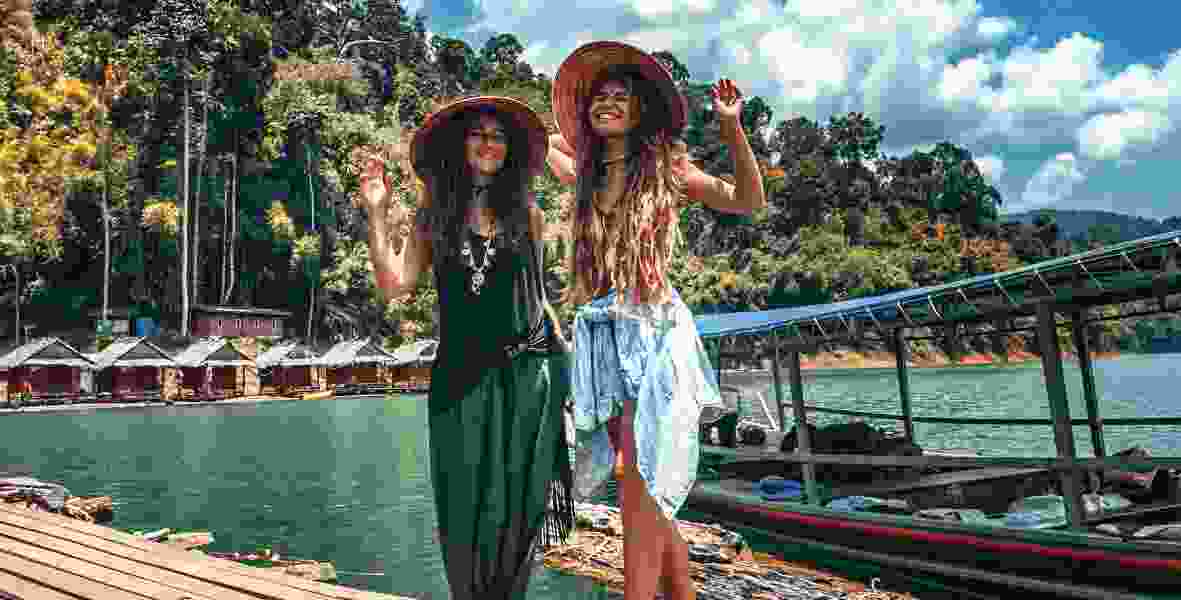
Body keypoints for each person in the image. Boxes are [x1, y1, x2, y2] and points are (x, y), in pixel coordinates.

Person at [545, 41, 766, 600]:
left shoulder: (669, 170)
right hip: (602, 337)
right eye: (598, 97)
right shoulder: (586, 175)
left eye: (620, 95)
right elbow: (545, 144)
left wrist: (731, 127)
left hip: (655, 335)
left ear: (641, 110)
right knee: (643, 487)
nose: (607, 102)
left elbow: (747, 199)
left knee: (637, 478)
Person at [359, 96, 574, 600]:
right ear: (459, 145)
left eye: (498, 136)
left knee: (520, 506)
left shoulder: (528, 215)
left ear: (510, 150)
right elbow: (394, 285)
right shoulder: (432, 218)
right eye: (477, 133)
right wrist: (377, 212)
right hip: (459, 380)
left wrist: (563, 368)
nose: (488, 143)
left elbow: (538, 297)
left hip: (525, 378)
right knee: (465, 507)